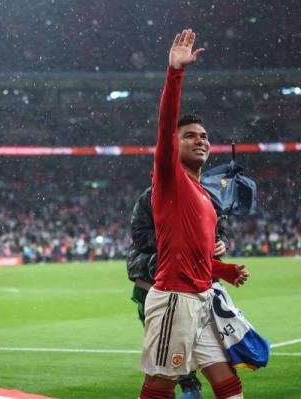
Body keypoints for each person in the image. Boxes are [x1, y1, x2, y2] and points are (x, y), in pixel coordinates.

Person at [138, 29, 250, 399]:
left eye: (204, 136)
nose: (200, 140)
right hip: (175, 298)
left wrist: (224, 271)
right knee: (161, 384)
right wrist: (175, 73)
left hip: (202, 298)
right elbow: (165, 123)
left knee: (227, 381)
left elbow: (193, 255)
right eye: (190, 136)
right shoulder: (170, 180)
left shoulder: (204, 196)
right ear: (173, 145)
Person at [127, 175, 229, 399]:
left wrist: (220, 243)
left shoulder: (205, 196)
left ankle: (189, 386)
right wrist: (185, 240)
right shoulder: (151, 197)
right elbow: (140, 236)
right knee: (164, 349)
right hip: (156, 283)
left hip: (196, 284)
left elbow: (218, 231)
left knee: (198, 343)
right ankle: (186, 386)